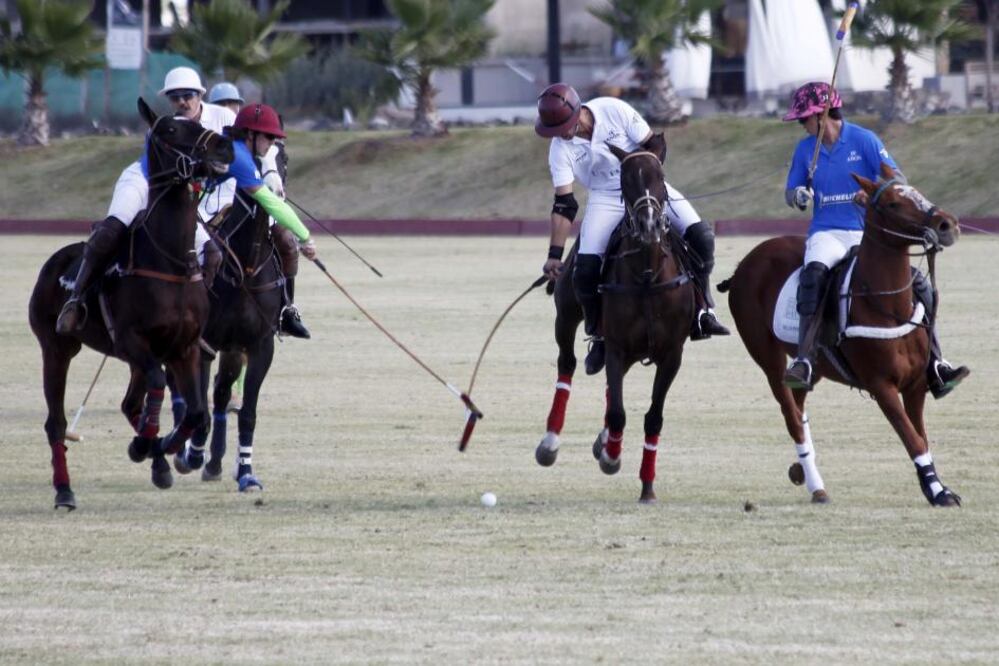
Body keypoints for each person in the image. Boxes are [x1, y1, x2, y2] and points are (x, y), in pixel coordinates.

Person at [781, 81, 968, 398]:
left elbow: (897, 180)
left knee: (920, 285)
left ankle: (936, 363)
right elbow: (791, 191)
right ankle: (805, 360)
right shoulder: (805, 150)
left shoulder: (863, 139)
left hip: (866, 233)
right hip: (827, 233)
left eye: (804, 117)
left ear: (822, 114)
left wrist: (872, 193)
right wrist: (799, 195)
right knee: (813, 276)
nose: (802, 124)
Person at [535, 83, 729, 375]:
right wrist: (554, 255)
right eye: (554, 130)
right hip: (605, 198)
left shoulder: (613, 110)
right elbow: (564, 204)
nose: (561, 134)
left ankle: (703, 311)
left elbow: (654, 145)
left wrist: (644, 177)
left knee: (702, 236)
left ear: (578, 112)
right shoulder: (560, 149)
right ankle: (599, 334)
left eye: (564, 126)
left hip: (645, 188)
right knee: (585, 270)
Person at [56, 67, 233, 334]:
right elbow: (161, 171)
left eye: (187, 95)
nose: (182, 102)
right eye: (175, 97)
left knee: (213, 254)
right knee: (111, 231)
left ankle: (197, 320)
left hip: (185, 193)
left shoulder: (224, 117)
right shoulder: (164, 127)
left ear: (200, 95)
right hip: (144, 180)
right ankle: (75, 299)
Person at [207, 102, 318, 338]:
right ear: (250, 134)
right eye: (268, 136)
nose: (272, 142)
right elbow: (272, 203)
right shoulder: (238, 155)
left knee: (284, 245)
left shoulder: (242, 152)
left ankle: (287, 310)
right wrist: (305, 237)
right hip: (195, 205)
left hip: (204, 203)